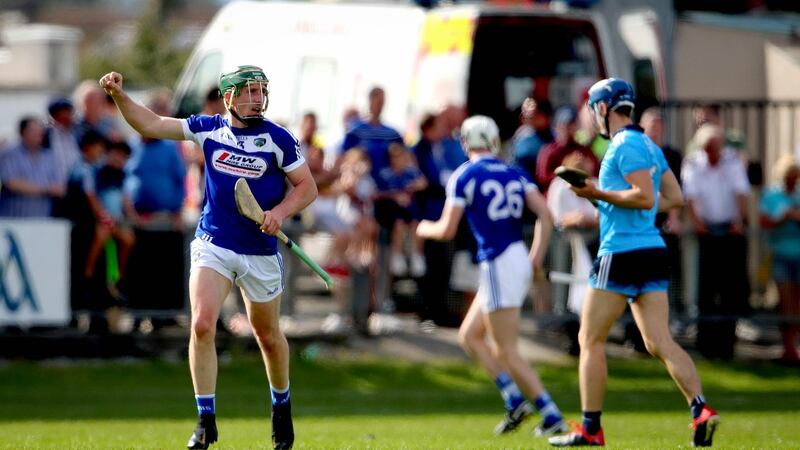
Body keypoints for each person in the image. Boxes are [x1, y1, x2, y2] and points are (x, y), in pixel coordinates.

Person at [99, 65, 317, 450]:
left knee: (267, 336)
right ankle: (205, 421)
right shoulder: (208, 128)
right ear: (229, 96)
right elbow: (150, 124)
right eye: (248, 91)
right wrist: (118, 95)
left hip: (260, 252)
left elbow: (307, 187)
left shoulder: (278, 139)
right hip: (213, 242)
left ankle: (281, 408)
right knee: (201, 324)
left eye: (260, 91)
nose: (256, 98)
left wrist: (279, 213)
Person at [548, 78, 719, 447]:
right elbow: (671, 198)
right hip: (651, 251)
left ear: (604, 109)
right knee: (659, 341)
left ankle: (591, 430)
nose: (593, 117)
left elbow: (643, 197)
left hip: (621, 252)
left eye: (594, 109)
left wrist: (596, 192)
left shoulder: (624, 145)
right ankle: (700, 408)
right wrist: (605, 199)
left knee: (589, 338)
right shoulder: (648, 145)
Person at [417, 115, 568, 438]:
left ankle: (551, 413)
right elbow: (545, 214)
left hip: (498, 261)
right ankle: (514, 399)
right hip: (513, 256)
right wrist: (535, 255)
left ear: (465, 142)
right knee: (469, 336)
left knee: (506, 349)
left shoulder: (464, 174)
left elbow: (446, 229)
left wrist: (422, 227)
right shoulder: (514, 171)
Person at [759, 154, 800, 364]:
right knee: (786, 302)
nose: (792, 182)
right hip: (781, 255)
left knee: (798, 302)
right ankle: (788, 347)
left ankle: (795, 347)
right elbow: (764, 221)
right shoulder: (772, 195)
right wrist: (783, 218)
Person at [377, 143, 428, 277]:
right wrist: (395, 196)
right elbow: (377, 193)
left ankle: (417, 256)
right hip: (391, 211)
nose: (398, 160)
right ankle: (397, 256)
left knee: (416, 226)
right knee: (399, 225)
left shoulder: (411, 172)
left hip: (411, 211)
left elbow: (423, 183)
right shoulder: (385, 174)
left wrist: (414, 186)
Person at [0, 116, 64, 217]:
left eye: (40, 132)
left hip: (44, 219)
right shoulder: (10, 154)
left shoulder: (49, 157)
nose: (38, 135)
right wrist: (46, 189)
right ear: (22, 133)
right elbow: (11, 183)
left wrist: (52, 189)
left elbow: (59, 187)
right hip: (15, 219)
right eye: (33, 131)